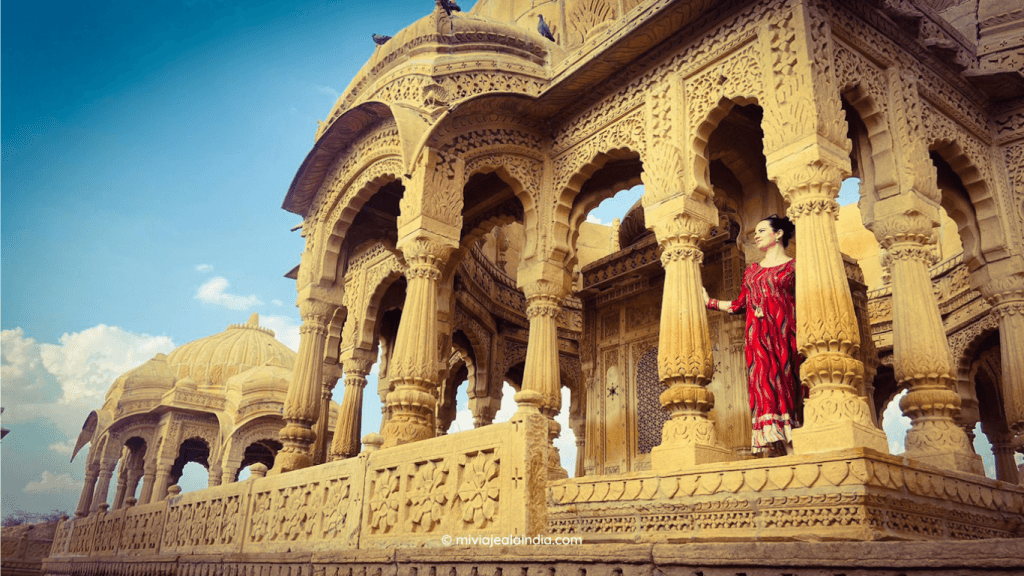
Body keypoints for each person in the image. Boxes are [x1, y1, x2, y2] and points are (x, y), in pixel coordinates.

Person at [703, 214, 803, 457]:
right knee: (765, 387)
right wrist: (710, 302)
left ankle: (795, 447)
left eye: (761, 230)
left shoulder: (794, 267)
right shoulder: (752, 271)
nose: (756, 235)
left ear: (778, 234)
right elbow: (739, 305)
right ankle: (779, 448)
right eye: (755, 231)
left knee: (789, 384)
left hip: (785, 335)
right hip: (758, 340)